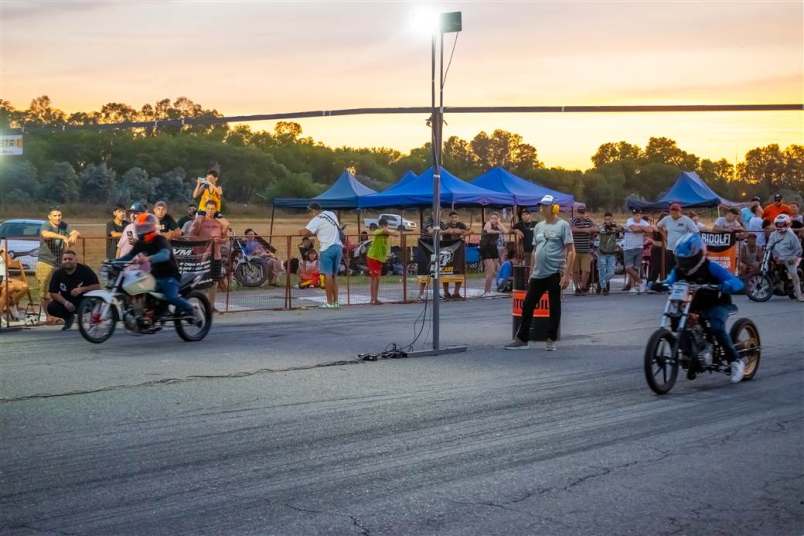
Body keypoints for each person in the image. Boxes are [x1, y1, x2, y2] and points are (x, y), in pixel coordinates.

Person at [654, 233, 747, 383]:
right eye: (682, 258)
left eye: (687, 258)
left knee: (717, 327)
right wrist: (659, 284)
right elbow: (670, 281)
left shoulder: (711, 267)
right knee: (677, 321)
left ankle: (736, 361)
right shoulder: (679, 270)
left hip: (717, 303)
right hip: (692, 306)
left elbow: (736, 282)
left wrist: (727, 285)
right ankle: (689, 354)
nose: (684, 261)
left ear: (698, 254)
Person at [505, 195, 575, 351]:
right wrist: (531, 272)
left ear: (554, 208)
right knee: (528, 304)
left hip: (555, 272)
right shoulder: (538, 227)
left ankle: (551, 339)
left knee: (554, 306)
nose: (542, 208)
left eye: (545, 206)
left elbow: (571, 251)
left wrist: (567, 275)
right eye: (541, 205)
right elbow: (536, 249)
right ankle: (522, 339)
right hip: (538, 273)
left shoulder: (563, 225)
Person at [118, 214, 199, 320]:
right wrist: (112, 262)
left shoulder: (160, 240)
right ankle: (147, 314)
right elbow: (128, 256)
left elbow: (164, 255)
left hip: (170, 275)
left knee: (171, 297)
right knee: (138, 289)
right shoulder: (140, 243)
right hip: (154, 275)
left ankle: (192, 310)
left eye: (145, 227)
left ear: (153, 227)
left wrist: (148, 258)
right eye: (139, 227)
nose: (142, 230)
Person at [38, 207, 80, 322]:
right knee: (45, 290)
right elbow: (45, 234)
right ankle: (48, 317)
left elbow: (75, 232)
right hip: (45, 262)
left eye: (59, 215)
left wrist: (74, 235)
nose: (58, 218)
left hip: (59, 263)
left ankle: (62, 314)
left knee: (59, 289)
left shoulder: (64, 225)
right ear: (49, 217)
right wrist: (62, 236)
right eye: (55, 215)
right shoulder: (46, 225)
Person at [300, 202, 343, 308]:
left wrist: (301, 231)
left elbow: (305, 232)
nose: (310, 214)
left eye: (310, 211)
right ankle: (336, 302)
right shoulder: (331, 214)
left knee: (327, 275)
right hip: (338, 247)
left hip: (326, 248)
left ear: (313, 210)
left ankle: (329, 302)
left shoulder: (316, 219)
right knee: (334, 276)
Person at [46, 250, 100, 331]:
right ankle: (68, 318)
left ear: (76, 260)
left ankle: (92, 321)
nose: (67, 261)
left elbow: (97, 286)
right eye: (65, 259)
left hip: (84, 300)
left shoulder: (85, 270)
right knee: (51, 307)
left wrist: (82, 289)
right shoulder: (58, 273)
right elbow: (53, 292)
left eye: (70, 259)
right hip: (67, 301)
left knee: (95, 301)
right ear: (62, 261)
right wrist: (65, 302)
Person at [189, 199, 227, 312]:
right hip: (203, 256)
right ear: (205, 209)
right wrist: (204, 241)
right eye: (208, 209)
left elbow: (226, 238)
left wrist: (220, 240)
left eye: (212, 209)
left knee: (214, 282)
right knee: (202, 281)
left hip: (216, 255)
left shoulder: (219, 223)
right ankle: (202, 305)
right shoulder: (200, 222)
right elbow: (191, 236)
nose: (210, 211)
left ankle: (211, 306)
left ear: (216, 210)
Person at [766, 214, 803, 301]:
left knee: (794, 275)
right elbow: (769, 246)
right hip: (777, 258)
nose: (780, 225)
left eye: (782, 223)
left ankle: (799, 295)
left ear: (787, 224)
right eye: (778, 224)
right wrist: (774, 255)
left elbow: (799, 250)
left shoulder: (792, 236)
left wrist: (793, 258)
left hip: (789, 258)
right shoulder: (773, 235)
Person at [657, 203, 699, 274]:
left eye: (675, 213)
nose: (673, 215)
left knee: (681, 269)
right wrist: (665, 236)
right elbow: (658, 226)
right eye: (672, 213)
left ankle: (681, 284)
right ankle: (670, 284)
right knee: (669, 269)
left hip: (682, 250)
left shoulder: (686, 220)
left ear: (680, 212)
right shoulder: (667, 219)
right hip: (670, 249)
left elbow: (696, 232)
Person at [366, 217, 398, 305]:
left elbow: (396, 234)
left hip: (379, 259)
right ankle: (373, 299)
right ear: (381, 226)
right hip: (373, 257)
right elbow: (381, 231)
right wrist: (386, 230)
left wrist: (389, 231)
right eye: (385, 226)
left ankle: (375, 298)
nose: (386, 227)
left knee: (377, 279)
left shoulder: (386, 232)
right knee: (375, 278)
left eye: (387, 226)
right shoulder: (377, 231)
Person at [441, 211, 469, 299]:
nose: (454, 219)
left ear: (458, 218)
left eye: (456, 217)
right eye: (452, 217)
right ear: (449, 218)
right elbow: (441, 232)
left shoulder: (461, 225)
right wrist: (447, 231)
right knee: (446, 271)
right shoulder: (445, 225)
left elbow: (470, 231)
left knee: (459, 270)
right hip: (447, 251)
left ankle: (456, 292)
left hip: (459, 252)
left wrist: (462, 233)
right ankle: (446, 292)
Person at [570, 206, 597, 295]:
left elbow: (596, 229)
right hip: (575, 250)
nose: (581, 215)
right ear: (577, 213)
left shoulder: (588, 221)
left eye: (583, 213)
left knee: (586, 270)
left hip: (586, 250)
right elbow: (571, 229)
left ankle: (582, 287)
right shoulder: (574, 220)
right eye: (579, 213)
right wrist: (585, 230)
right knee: (575, 271)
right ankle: (577, 288)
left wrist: (592, 221)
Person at [623, 208, 651, 293]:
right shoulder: (629, 221)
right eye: (635, 215)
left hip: (639, 247)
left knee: (635, 269)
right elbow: (634, 229)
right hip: (628, 247)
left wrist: (639, 228)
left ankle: (633, 287)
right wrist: (643, 229)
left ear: (641, 215)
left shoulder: (644, 222)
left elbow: (650, 230)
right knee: (628, 268)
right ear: (633, 215)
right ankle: (641, 282)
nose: (637, 217)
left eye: (639, 215)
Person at [0, 246, 29, 322]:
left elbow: (9, 263)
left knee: (24, 286)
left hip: (5, 278)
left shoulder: (2, 252)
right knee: (8, 288)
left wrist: (4, 252)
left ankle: (10, 303)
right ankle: (1, 313)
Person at [481, 212, 507, 296]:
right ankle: (486, 292)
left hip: (493, 248)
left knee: (493, 270)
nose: (493, 220)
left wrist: (499, 223)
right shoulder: (488, 224)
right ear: (489, 219)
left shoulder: (498, 225)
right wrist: (499, 232)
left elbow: (505, 231)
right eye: (492, 218)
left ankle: (488, 289)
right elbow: (489, 231)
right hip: (486, 247)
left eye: (495, 218)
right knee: (491, 271)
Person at [597, 212, 620, 295]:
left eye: (609, 219)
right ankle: (604, 288)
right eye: (606, 219)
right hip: (602, 252)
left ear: (612, 219)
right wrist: (605, 228)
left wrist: (615, 227)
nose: (607, 221)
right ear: (604, 219)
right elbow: (599, 230)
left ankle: (602, 282)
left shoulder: (615, 227)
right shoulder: (601, 227)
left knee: (611, 272)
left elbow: (621, 231)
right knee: (602, 271)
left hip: (612, 253)